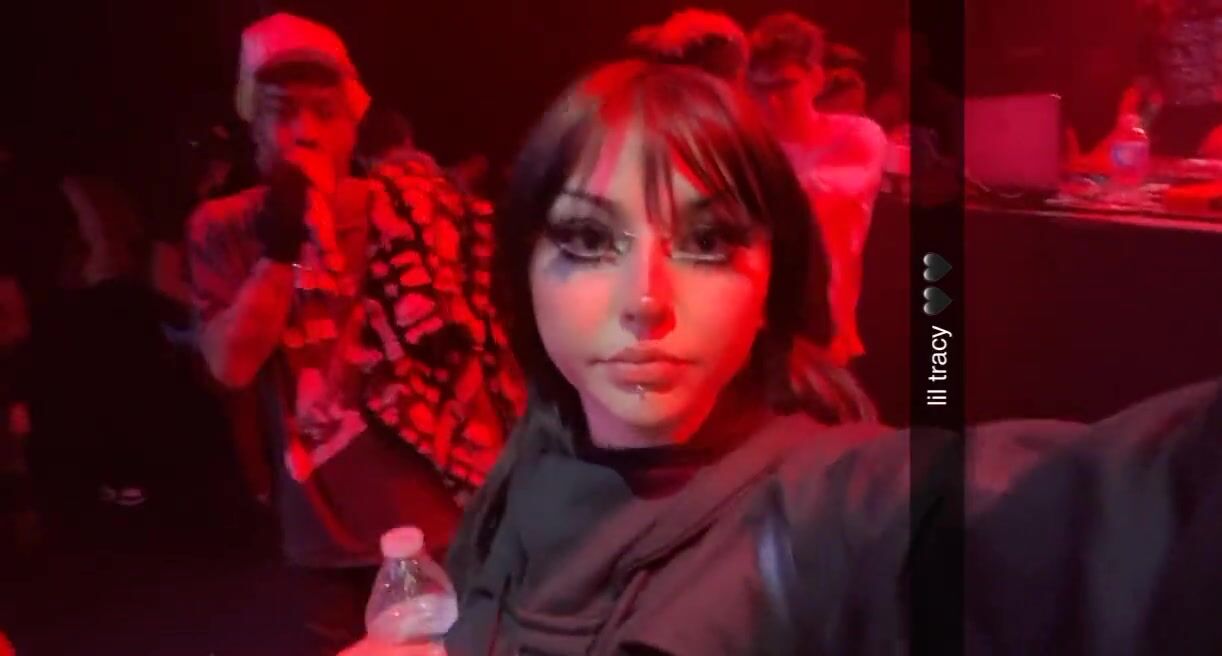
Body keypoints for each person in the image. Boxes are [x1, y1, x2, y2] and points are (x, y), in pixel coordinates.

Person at [341, 54, 1222, 656]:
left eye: (707, 242)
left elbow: (1122, 512)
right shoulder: (536, 453)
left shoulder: (827, 514)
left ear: (774, 278)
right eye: (588, 239)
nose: (645, 299)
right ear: (523, 269)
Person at [187, 13, 513, 654]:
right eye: (282, 112)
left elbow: (474, 345)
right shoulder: (223, 227)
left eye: (325, 112)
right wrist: (280, 248)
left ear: (353, 123)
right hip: (323, 535)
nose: (305, 132)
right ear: (252, 121)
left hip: (439, 517)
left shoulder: (407, 209)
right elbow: (231, 364)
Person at [746, 13, 886, 366]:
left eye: (784, 85)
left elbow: (804, 201)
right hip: (750, 327)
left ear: (817, 79)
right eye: (760, 88)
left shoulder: (856, 136)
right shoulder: (748, 147)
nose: (771, 101)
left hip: (824, 333)